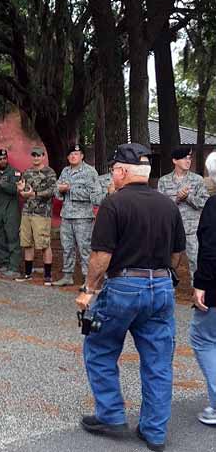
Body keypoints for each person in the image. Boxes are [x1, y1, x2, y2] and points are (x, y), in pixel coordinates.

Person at [76, 143, 185, 452]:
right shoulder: (168, 205)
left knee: (99, 347)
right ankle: (154, 432)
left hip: (123, 287)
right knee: (159, 361)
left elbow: (101, 256)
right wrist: (164, 278)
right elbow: (178, 254)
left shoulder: (114, 204)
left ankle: (110, 415)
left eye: (113, 170)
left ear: (122, 172)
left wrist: (88, 291)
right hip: (161, 287)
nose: (112, 175)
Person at [190, 151, 216, 426]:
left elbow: (209, 251)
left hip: (215, 287)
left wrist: (200, 285)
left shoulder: (213, 206)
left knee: (203, 338)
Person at [158, 147, 209, 286]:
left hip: (192, 230)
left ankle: (199, 292)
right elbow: (160, 206)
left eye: (189, 158)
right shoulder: (163, 181)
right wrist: (177, 199)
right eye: (184, 158)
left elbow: (204, 203)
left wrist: (188, 197)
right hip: (171, 230)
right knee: (167, 262)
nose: (188, 161)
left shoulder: (197, 180)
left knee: (196, 263)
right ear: (175, 160)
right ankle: (166, 290)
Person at [53, 144, 101, 287]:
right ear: (68, 157)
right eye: (71, 154)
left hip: (83, 217)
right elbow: (57, 193)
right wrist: (60, 190)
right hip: (66, 215)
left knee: (85, 248)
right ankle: (67, 276)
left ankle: (88, 279)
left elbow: (95, 195)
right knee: (67, 247)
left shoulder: (90, 172)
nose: (73, 156)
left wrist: (70, 189)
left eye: (76, 154)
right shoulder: (65, 171)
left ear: (82, 156)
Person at [16, 146, 56, 285]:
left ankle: (47, 275)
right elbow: (23, 190)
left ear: (43, 156)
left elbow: (52, 191)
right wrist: (20, 190)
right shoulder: (27, 172)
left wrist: (35, 194)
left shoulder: (49, 172)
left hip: (42, 213)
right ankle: (27, 274)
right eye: (34, 155)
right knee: (27, 243)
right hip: (27, 211)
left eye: (39, 155)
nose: (36, 158)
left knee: (44, 244)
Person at [0, 149, 22, 277]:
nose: (3, 161)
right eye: (0, 159)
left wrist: (0, 181)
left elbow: (15, 189)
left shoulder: (15, 172)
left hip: (11, 209)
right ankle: (5, 263)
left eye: (5, 158)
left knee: (12, 237)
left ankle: (14, 267)